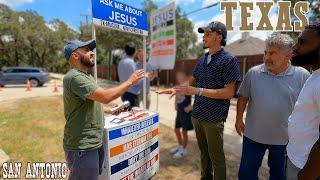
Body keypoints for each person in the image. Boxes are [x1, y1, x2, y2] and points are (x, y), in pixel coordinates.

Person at [158, 21, 241, 180]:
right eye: (204, 34)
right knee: (204, 153)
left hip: (214, 119)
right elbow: (192, 82)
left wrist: (198, 91)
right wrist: (175, 89)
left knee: (216, 157)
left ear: (219, 37)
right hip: (197, 116)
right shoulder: (203, 59)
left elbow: (229, 93)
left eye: (208, 34)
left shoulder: (229, 60)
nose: (204, 37)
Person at [62, 39, 144, 180]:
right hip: (82, 146)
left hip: (93, 143)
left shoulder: (86, 76)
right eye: (87, 50)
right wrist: (130, 81)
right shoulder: (74, 77)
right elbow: (105, 96)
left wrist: (110, 110)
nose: (92, 52)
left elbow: (94, 102)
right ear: (75, 56)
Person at [235, 34, 310, 180]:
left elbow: (308, 107)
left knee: (279, 176)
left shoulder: (302, 76)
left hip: (284, 140)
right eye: (266, 53)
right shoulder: (253, 73)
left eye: (272, 53)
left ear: (288, 55)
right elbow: (243, 96)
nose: (267, 57)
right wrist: (238, 119)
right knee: (246, 174)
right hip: (253, 136)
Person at [286, 24, 320, 180]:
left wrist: (306, 175)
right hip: (298, 158)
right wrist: (292, 146)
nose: (295, 46)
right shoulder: (315, 74)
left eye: (302, 42)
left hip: (307, 169)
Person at [169, 69, 193, 159]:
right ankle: (179, 146)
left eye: (181, 76)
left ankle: (183, 150)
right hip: (179, 111)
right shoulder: (178, 86)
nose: (178, 78)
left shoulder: (188, 86)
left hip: (186, 112)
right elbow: (176, 95)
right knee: (176, 129)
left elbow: (199, 97)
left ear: (185, 77)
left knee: (184, 131)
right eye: (177, 76)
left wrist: (191, 106)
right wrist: (175, 104)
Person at [118, 42, 142, 108]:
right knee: (134, 116)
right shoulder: (131, 63)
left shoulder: (121, 62)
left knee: (127, 114)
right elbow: (135, 80)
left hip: (123, 92)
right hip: (132, 95)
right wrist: (144, 77)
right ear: (134, 51)